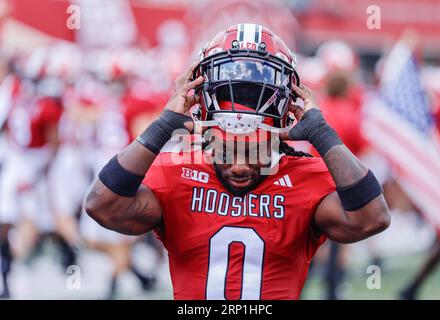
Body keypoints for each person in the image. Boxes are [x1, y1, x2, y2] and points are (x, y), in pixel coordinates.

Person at [85, 24, 390, 300]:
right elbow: (102, 205)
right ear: (206, 138)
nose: (241, 167)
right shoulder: (178, 174)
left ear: (276, 139)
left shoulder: (303, 177)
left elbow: (373, 217)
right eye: (227, 150)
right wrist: (164, 125)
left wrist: (322, 135)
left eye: (254, 151)